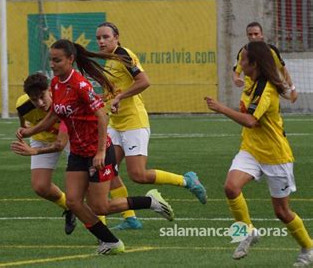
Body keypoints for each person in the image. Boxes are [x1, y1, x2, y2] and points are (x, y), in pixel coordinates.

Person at [17, 39, 174, 255]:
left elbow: (102, 116)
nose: (52, 64)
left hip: (97, 152)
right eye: (51, 60)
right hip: (78, 153)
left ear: (70, 60)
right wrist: (30, 132)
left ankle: (151, 201)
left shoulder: (81, 85)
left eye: (57, 60)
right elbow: (54, 114)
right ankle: (111, 242)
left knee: (101, 207)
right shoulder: (55, 83)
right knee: (73, 201)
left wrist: (100, 151)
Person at [206, 41, 313, 266]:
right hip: (251, 149)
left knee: (282, 212)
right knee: (230, 187)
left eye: (243, 59)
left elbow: (251, 121)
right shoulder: (250, 82)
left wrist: (221, 108)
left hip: (276, 155)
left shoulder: (266, 88)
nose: (239, 63)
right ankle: (248, 232)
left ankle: (308, 248)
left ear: (253, 63)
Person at [95, 22, 207, 217]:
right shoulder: (110, 60)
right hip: (116, 123)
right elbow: (116, 90)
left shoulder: (123, 54)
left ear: (117, 37)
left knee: (138, 175)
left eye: (106, 37)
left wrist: (120, 97)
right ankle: (130, 219)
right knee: (107, 170)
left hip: (133, 122)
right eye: (98, 38)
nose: (101, 41)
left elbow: (144, 81)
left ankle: (187, 181)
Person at [11, 73, 76, 235]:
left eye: (42, 97)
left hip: (72, 138)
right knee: (40, 187)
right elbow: (22, 113)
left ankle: (101, 229)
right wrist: (23, 130)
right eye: (34, 99)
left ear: (49, 90)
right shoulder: (23, 104)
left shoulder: (63, 103)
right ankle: (69, 207)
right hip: (41, 139)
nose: (40, 103)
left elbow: (60, 144)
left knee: (85, 185)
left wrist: (34, 151)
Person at [232, 21, 298, 103]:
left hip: (268, 94)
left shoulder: (271, 50)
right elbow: (236, 72)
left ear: (261, 35)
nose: (253, 37)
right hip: (249, 96)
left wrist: (292, 88)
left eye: (256, 34)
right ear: (247, 36)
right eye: (250, 34)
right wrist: (236, 79)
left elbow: (283, 70)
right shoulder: (244, 52)